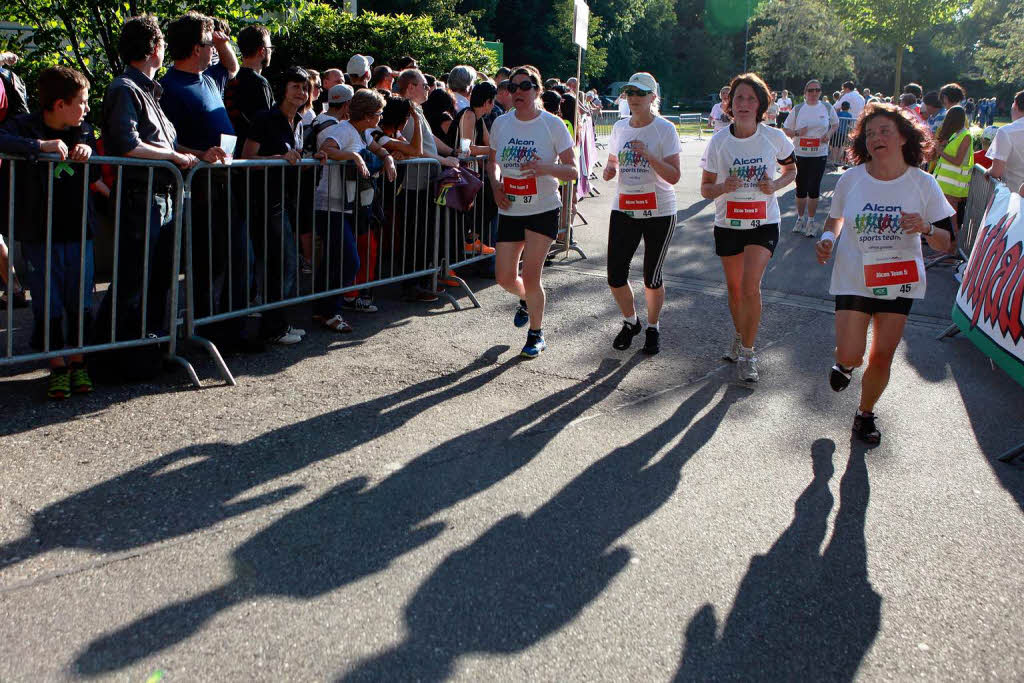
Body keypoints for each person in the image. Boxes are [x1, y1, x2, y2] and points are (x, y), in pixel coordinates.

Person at [814, 102, 953, 444]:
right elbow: (835, 220)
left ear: (904, 137)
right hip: (854, 274)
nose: (876, 138)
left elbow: (947, 242)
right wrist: (828, 238)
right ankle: (845, 364)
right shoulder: (852, 178)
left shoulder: (924, 184)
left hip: (898, 278)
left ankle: (864, 415)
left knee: (882, 355)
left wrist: (925, 228)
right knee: (850, 352)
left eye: (885, 131)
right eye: (870, 133)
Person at [99, 14, 199, 344]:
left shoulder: (150, 91)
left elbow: (162, 144)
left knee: (159, 276)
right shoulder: (124, 89)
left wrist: (193, 152)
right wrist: (173, 157)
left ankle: (151, 346)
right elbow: (128, 145)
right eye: (164, 44)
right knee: (133, 277)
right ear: (154, 47)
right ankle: (115, 350)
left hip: (163, 195)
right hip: (140, 197)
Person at [0, 66, 98, 398]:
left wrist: (89, 152)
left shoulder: (83, 129)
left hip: (78, 228)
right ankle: (56, 365)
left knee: (80, 297)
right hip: (39, 232)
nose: (86, 109)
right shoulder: (25, 124)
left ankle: (79, 361)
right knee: (48, 299)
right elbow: (3, 138)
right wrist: (39, 146)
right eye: (82, 102)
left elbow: (97, 158)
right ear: (59, 104)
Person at [699, 72, 796, 384]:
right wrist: (723, 186)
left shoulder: (775, 138)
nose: (743, 103)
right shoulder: (719, 141)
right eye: (738, 97)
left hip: (763, 221)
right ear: (729, 103)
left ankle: (749, 352)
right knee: (735, 289)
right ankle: (740, 336)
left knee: (751, 286)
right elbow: (704, 189)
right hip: (728, 222)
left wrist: (776, 185)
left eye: (750, 98)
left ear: (761, 104)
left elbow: (791, 169)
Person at [159, 12, 249, 332]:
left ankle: (229, 325)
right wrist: (201, 155)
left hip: (223, 182)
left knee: (237, 257)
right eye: (209, 42)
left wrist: (223, 43)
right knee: (205, 263)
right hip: (195, 188)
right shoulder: (166, 87)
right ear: (195, 48)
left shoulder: (209, 78)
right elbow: (166, 143)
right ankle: (203, 326)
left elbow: (232, 67)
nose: (215, 47)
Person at [488, 66, 577, 358]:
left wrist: (544, 168)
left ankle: (536, 334)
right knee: (503, 277)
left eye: (525, 86)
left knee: (531, 275)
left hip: (543, 208)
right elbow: (493, 162)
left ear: (537, 90)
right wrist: (496, 186)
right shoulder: (502, 123)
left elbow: (573, 170)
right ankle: (528, 300)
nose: (518, 92)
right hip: (510, 207)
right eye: (512, 88)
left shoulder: (552, 125)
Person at [601, 72, 680, 355]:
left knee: (651, 277)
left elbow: (674, 176)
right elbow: (611, 164)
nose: (633, 97)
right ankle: (631, 321)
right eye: (630, 92)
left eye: (640, 92)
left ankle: (653, 326)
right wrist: (609, 171)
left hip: (659, 210)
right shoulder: (620, 128)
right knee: (615, 276)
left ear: (652, 97)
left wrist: (649, 156)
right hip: (624, 207)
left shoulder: (665, 129)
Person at [241, 66, 311, 345]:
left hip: (286, 200)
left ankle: (279, 323)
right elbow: (247, 157)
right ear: (283, 89)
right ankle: (273, 327)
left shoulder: (300, 122)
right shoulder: (265, 118)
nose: (301, 93)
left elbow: (294, 156)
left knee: (284, 264)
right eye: (295, 86)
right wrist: (278, 156)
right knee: (283, 263)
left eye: (305, 88)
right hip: (266, 200)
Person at [784, 79, 838, 238]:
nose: (814, 93)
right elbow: (786, 129)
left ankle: (811, 221)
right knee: (801, 188)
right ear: (805, 93)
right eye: (810, 90)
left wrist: (828, 134)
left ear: (821, 92)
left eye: (817, 90)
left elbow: (835, 124)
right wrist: (797, 133)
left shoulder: (827, 107)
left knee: (814, 188)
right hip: (801, 153)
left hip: (819, 153)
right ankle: (800, 219)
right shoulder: (799, 108)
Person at [223, 25, 274, 152]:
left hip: (231, 152)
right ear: (262, 51)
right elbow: (266, 126)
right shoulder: (259, 83)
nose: (271, 52)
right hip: (254, 158)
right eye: (270, 48)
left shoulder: (230, 78)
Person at [932, 105, 972, 249]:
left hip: (954, 185)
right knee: (948, 219)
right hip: (947, 184)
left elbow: (957, 160)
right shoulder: (956, 135)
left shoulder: (965, 136)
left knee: (952, 220)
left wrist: (940, 151)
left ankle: (952, 248)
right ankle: (949, 248)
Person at [988, 90, 1024, 196]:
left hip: (1012, 197)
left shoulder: (1006, 131)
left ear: (1015, 105)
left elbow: (996, 171)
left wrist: (988, 172)